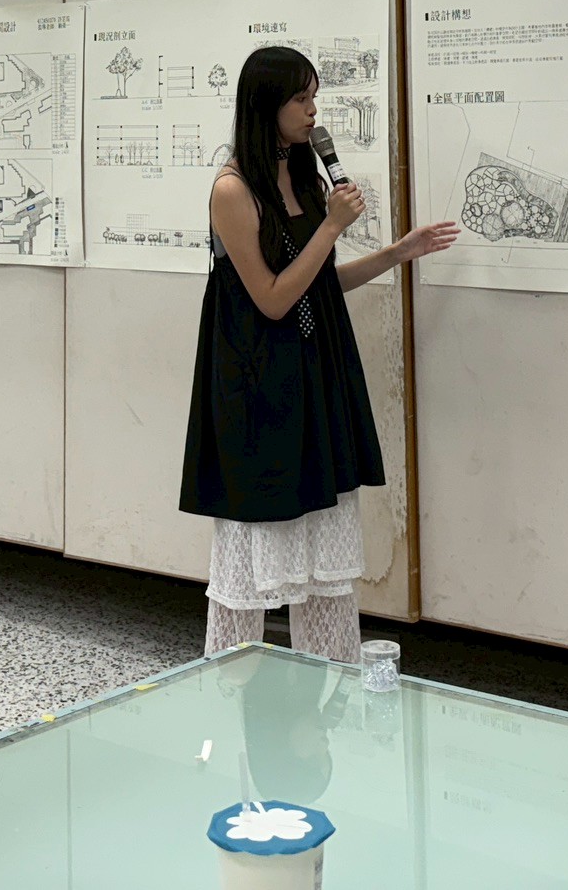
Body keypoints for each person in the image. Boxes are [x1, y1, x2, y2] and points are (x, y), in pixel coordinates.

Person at [179, 47, 459, 663]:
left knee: (324, 544)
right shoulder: (232, 189)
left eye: (315, 99)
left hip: (315, 371)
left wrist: (397, 253)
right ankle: (230, 687)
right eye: (301, 99)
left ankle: (332, 684)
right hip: (259, 382)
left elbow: (317, 284)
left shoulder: (304, 175)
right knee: (253, 546)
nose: (313, 112)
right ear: (266, 105)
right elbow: (273, 298)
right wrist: (331, 227)